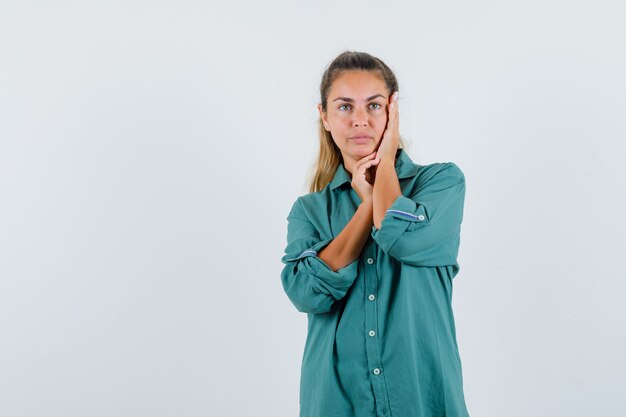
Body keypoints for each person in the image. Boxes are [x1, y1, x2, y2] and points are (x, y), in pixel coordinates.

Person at [280, 51, 470, 417]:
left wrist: (385, 160)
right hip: (337, 402)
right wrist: (366, 206)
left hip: (422, 398)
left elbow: (401, 236)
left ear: (393, 113)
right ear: (324, 116)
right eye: (345, 107)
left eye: (374, 106)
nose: (360, 121)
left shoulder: (441, 184)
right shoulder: (310, 210)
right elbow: (306, 293)